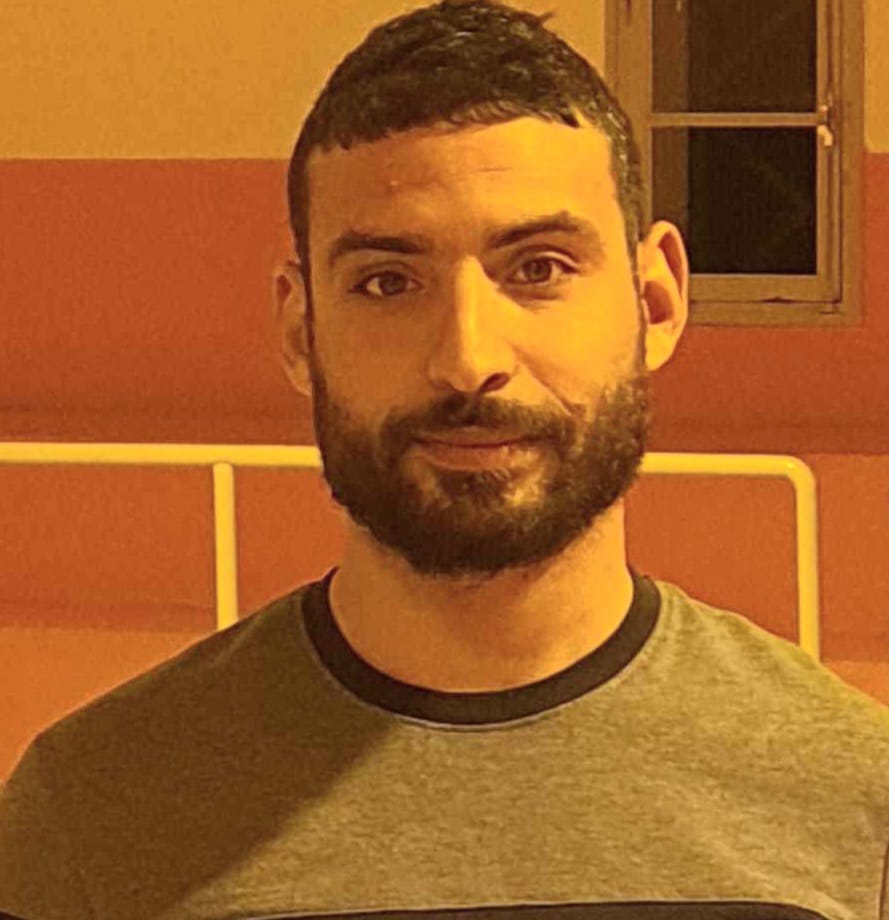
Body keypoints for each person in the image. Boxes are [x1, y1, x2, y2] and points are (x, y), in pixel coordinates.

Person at [1, 1, 888, 917]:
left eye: (538, 268)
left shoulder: (854, 810)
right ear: (301, 331)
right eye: (388, 282)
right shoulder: (92, 817)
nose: (467, 358)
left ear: (654, 302)